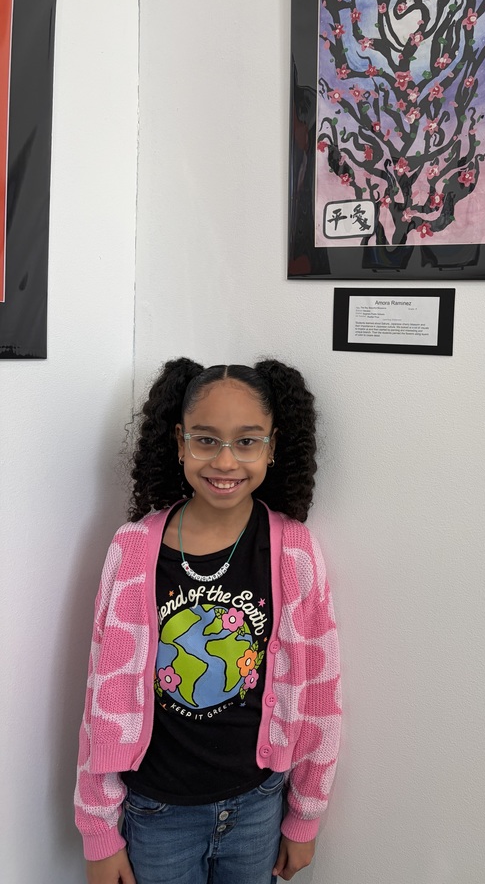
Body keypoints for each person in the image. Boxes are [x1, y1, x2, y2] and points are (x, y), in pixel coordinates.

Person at [74, 359, 341, 884]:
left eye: (246, 441)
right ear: (178, 442)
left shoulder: (294, 551)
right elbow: (102, 700)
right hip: (157, 813)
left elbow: (318, 693)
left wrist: (304, 817)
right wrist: (99, 831)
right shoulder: (133, 550)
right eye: (206, 439)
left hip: (258, 804)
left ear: (271, 445)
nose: (225, 460)